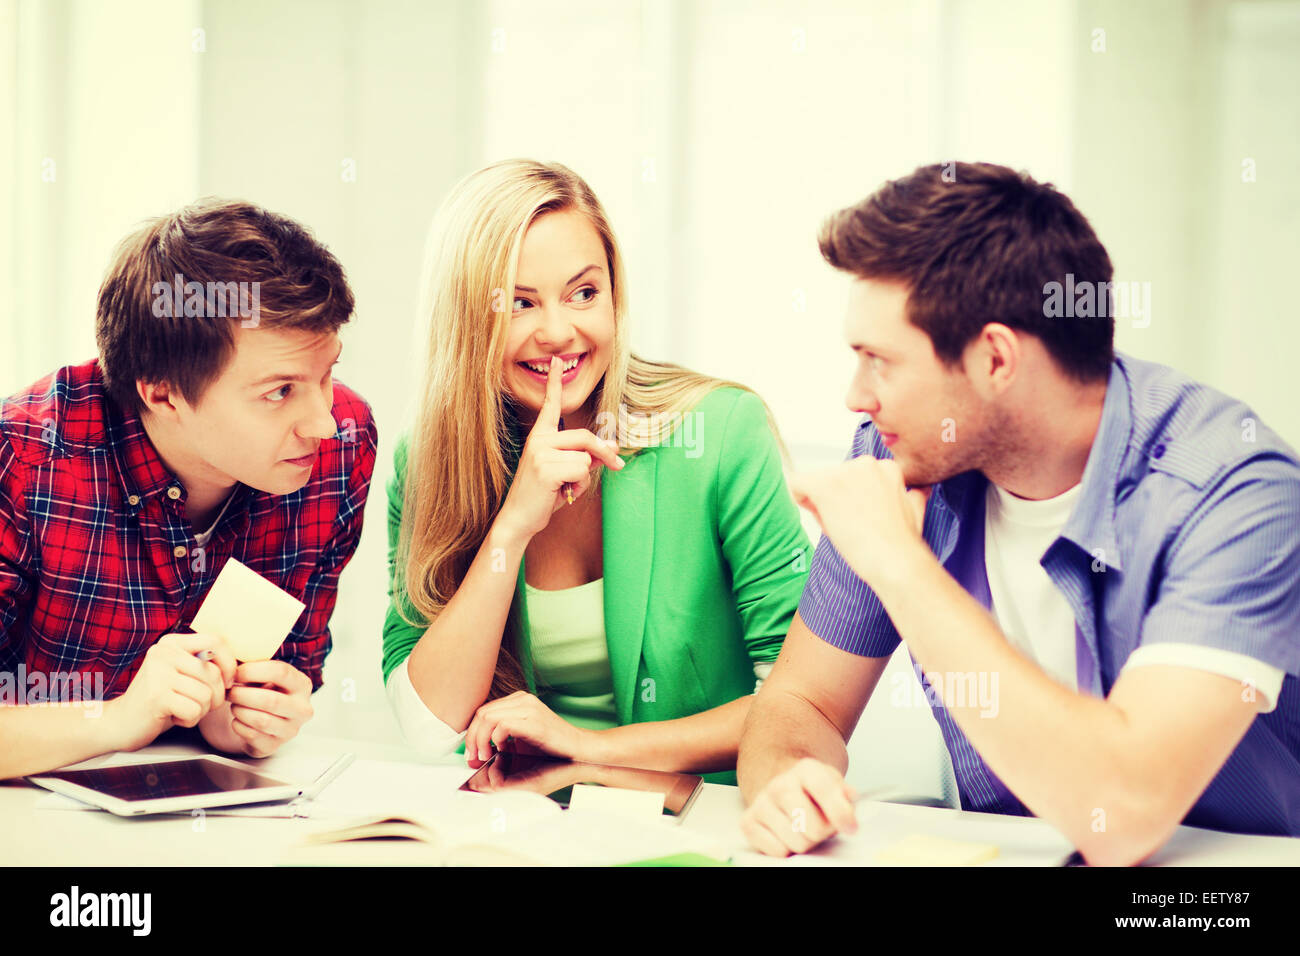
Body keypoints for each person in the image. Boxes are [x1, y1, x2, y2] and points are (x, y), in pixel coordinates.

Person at [738, 162, 1300, 864]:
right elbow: (802, 704)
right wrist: (791, 783)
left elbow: (1122, 814)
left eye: (878, 360)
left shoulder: (1238, 495)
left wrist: (901, 567)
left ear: (996, 359)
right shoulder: (899, 463)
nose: (856, 396)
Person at [383, 159, 809, 780]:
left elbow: (803, 705)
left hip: (698, 819)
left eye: (584, 293)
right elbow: (428, 728)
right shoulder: (429, 460)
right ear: (468, 319)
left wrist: (588, 748)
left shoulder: (719, 432)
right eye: (521, 304)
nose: (560, 332)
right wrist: (511, 530)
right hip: (528, 827)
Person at [0, 199, 378, 780]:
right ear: (163, 394)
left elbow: (295, 669)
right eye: (279, 391)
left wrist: (244, 722)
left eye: (326, 374)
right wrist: (123, 717)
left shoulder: (342, 445)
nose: (321, 421)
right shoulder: (25, 458)